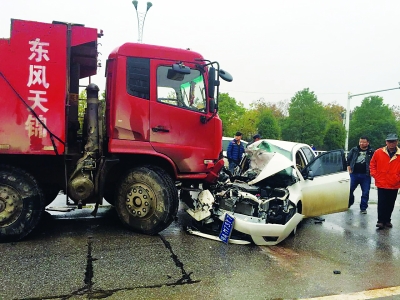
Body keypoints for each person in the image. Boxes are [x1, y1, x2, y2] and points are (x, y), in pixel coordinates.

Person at [370, 133, 400, 229]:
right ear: (386, 142)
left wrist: (397, 178)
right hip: (381, 182)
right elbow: (372, 164)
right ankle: (380, 221)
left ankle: (387, 220)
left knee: (391, 203)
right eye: (389, 141)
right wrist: (376, 175)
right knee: (382, 202)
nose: (391, 143)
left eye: (393, 141)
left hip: (394, 183)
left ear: (397, 142)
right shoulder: (378, 152)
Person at [346, 136, 375, 214]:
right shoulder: (354, 150)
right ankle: (348, 203)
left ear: (368, 143)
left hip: (366, 175)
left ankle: (363, 208)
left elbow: (375, 162)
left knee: (365, 192)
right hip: (354, 174)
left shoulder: (371, 151)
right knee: (350, 190)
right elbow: (348, 158)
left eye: (363, 142)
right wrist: (348, 165)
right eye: (360, 142)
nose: (361, 143)